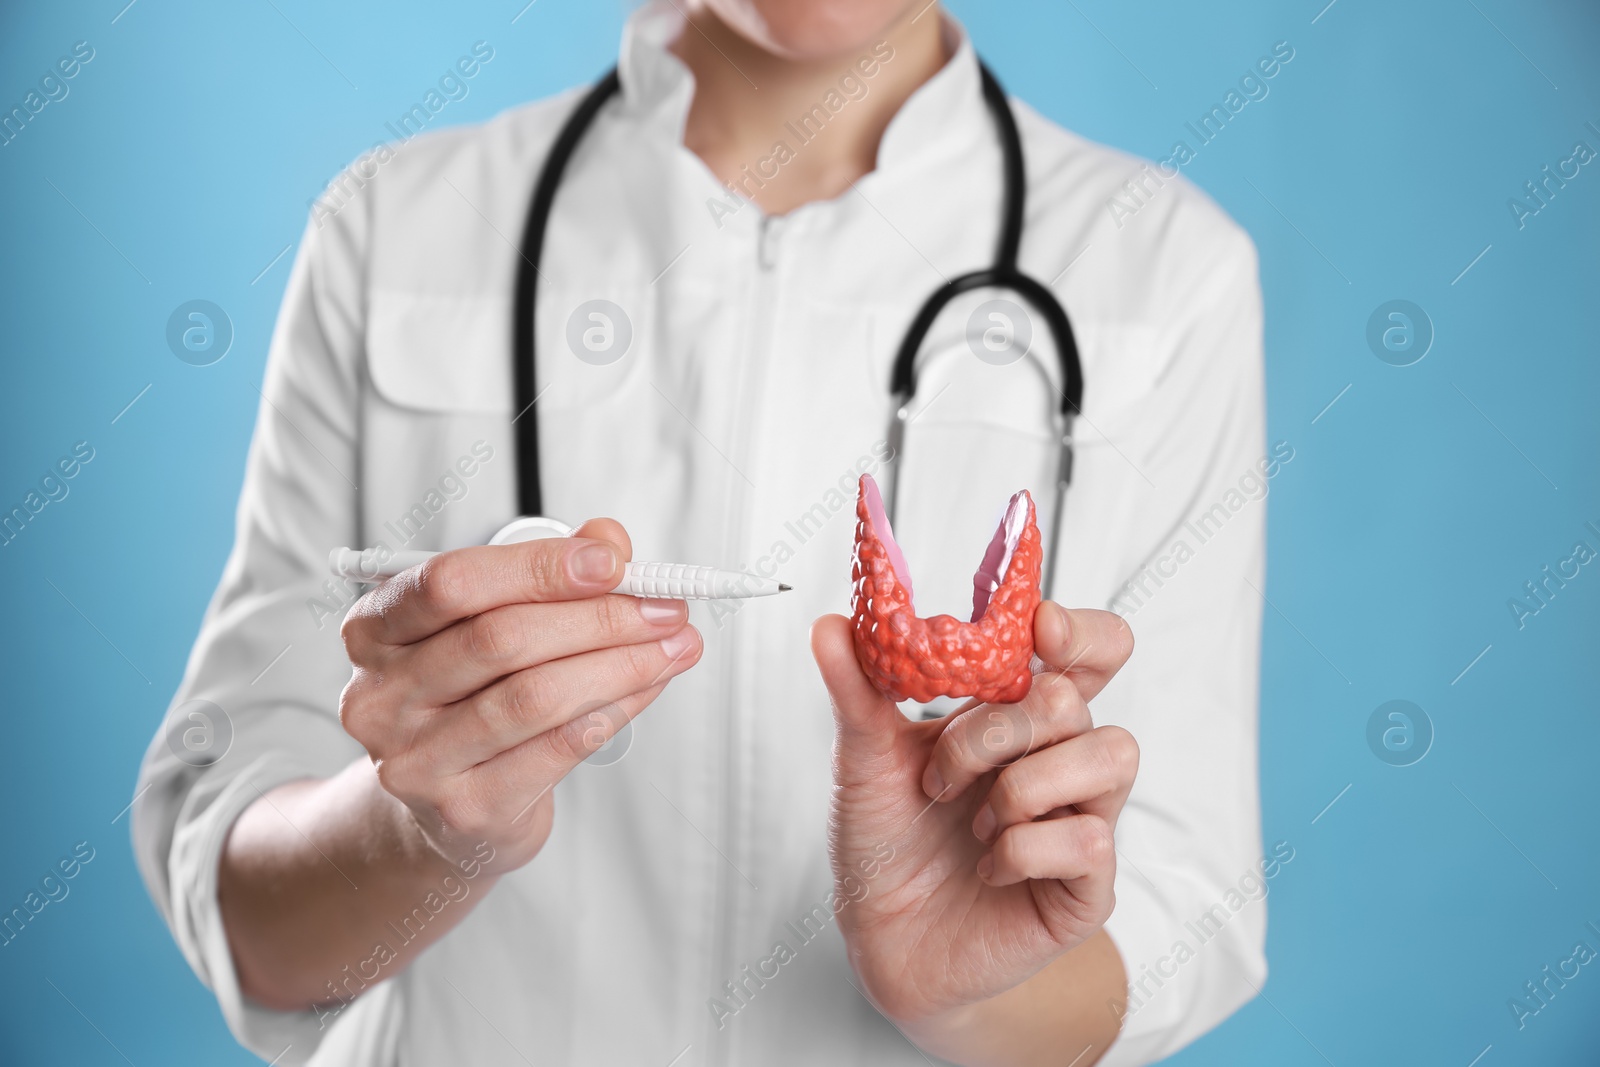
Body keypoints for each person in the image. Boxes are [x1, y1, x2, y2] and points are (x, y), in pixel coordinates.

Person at [134, 1, 1268, 1064]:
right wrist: (420, 834)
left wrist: (961, 988)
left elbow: (1182, 903)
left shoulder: (1165, 273)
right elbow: (241, 908)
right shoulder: (394, 228)